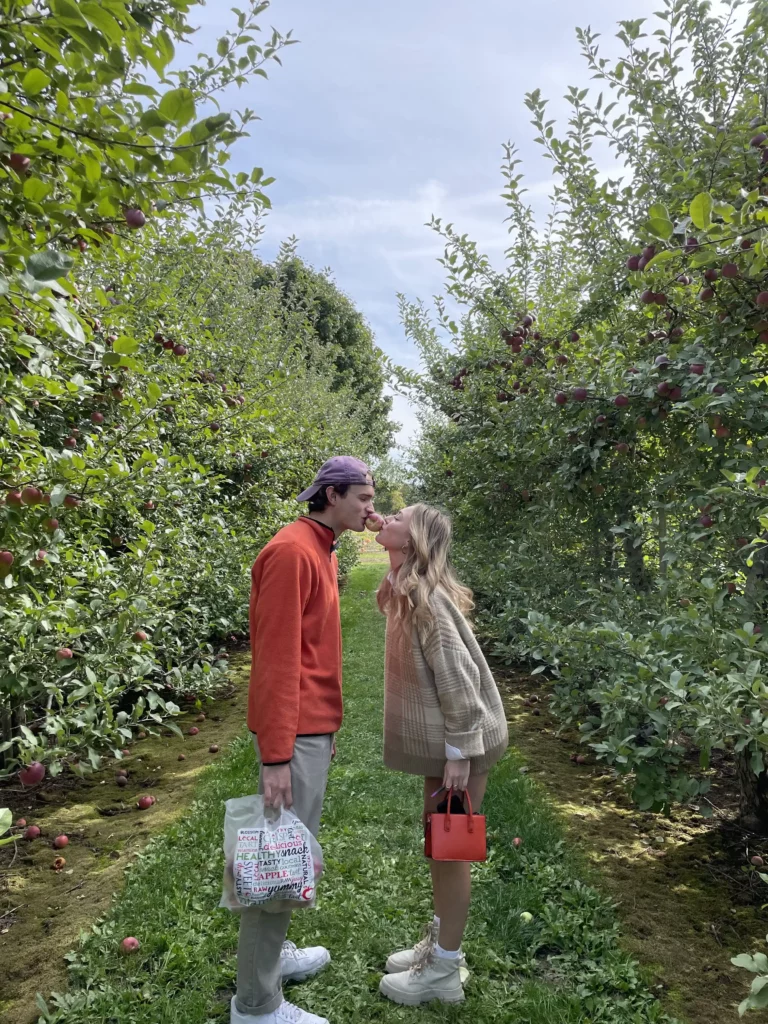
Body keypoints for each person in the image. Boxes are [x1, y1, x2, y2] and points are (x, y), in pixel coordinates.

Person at [231, 456, 376, 1024]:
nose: (371, 507)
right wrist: (277, 754)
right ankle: (257, 1004)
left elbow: (311, 654)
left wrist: (323, 730)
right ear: (332, 494)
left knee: (290, 851)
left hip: (309, 732)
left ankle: (274, 958)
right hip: (291, 739)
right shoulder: (293, 551)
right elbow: (275, 662)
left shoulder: (318, 548)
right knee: (275, 861)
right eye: (363, 497)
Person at [373, 504, 509, 1006]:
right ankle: (440, 944)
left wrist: (458, 755)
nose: (385, 514)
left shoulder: (426, 600)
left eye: (398, 515)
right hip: (453, 744)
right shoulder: (408, 590)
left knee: (450, 850)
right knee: (439, 844)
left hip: (464, 743)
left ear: (415, 540)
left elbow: (459, 683)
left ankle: (445, 973)